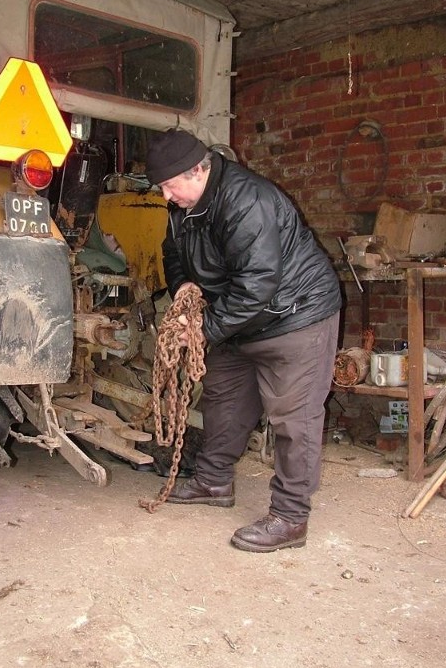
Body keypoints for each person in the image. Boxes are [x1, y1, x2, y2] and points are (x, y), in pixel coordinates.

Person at [145, 128, 342, 552]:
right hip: (239, 317)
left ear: (197, 171)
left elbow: (258, 284)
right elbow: (173, 253)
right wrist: (182, 288)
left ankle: (291, 517)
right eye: (161, 187)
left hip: (295, 316)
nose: (166, 197)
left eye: (169, 186)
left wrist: (205, 329)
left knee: (294, 417)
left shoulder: (245, 199)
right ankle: (213, 483)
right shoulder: (184, 204)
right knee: (223, 399)